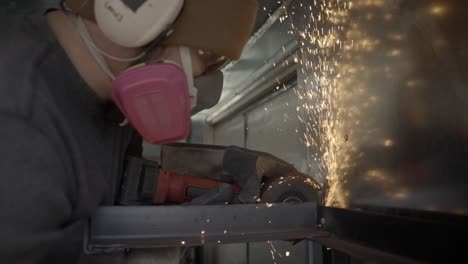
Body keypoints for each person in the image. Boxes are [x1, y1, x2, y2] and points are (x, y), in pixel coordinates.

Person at [0, 0, 258, 262]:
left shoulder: (112, 94)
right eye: (206, 56)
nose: (204, 78)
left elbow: (123, 179)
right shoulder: (20, 133)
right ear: (148, 15)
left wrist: (209, 173)